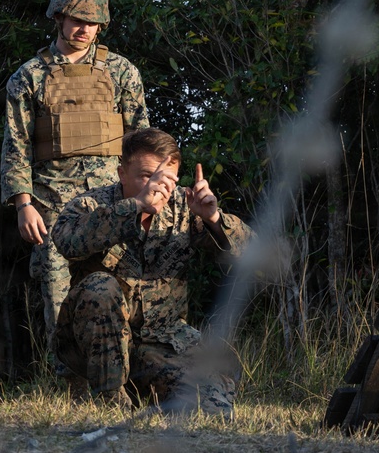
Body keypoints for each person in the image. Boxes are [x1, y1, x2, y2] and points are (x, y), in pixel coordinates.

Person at [0, 0, 149, 362]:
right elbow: (15, 145)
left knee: (119, 291)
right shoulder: (29, 76)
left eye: (93, 22)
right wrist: (22, 204)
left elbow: (141, 142)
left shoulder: (121, 72)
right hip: (52, 206)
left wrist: (146, 199)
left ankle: (117, 379)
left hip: (111, 204)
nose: (84, 29)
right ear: (60, 18)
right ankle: (66, 386)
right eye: (77, 19)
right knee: (56, 298)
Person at [51, 128, 252, 415]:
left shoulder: (185, 208)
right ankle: (109, 401)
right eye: (147, 176)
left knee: (213, 406)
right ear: (122, 173)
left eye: (168, 178)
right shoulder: (91, 205)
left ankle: (150, 397)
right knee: (100, 286)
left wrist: (213, 219)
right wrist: (135, 207)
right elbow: (67, 241)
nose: (159, 187)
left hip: (161, 342)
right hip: (94, 347)